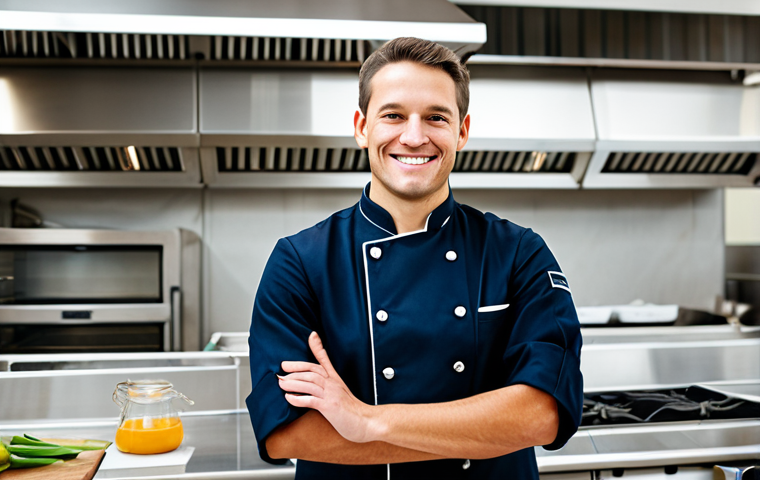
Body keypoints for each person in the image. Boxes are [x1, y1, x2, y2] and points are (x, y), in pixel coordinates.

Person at [246, 37, 583, 480]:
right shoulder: (301, 262)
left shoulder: (518, 251)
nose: (414, 136)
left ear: (461, 132)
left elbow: (543, 413)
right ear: (361, 127)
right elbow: (287, 431)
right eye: (393, 115)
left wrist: (367, 421)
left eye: (436, 118)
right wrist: (479, 434)